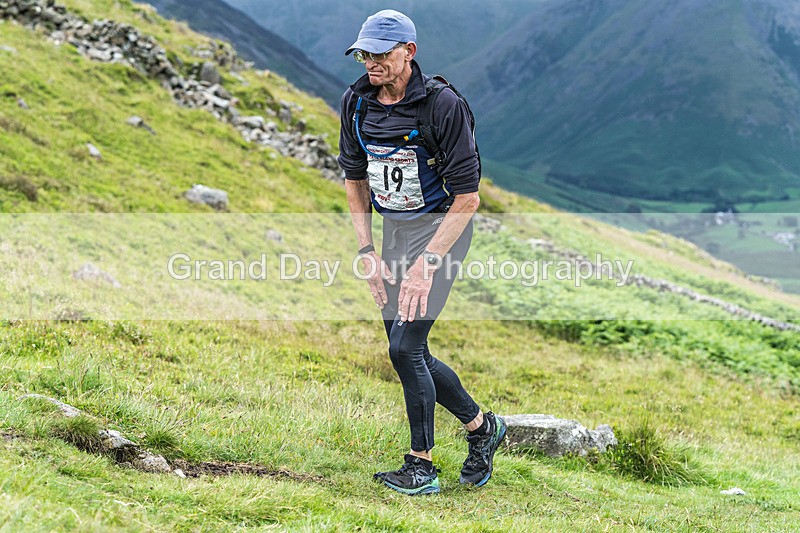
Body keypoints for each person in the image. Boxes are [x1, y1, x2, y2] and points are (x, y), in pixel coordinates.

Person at [337, 9, 505, 496]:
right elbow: (354, 179)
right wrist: (367, 249)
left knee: (406, 348)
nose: (371, 63)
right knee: (409, 349)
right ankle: (482, 429)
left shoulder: (443, 105)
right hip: (394, 235)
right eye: (364, 54)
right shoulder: (356, 102)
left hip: (441, 236)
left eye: (381, 54)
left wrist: (426, 265)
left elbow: (468, 198)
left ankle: (421, 465)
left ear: (408, 52)